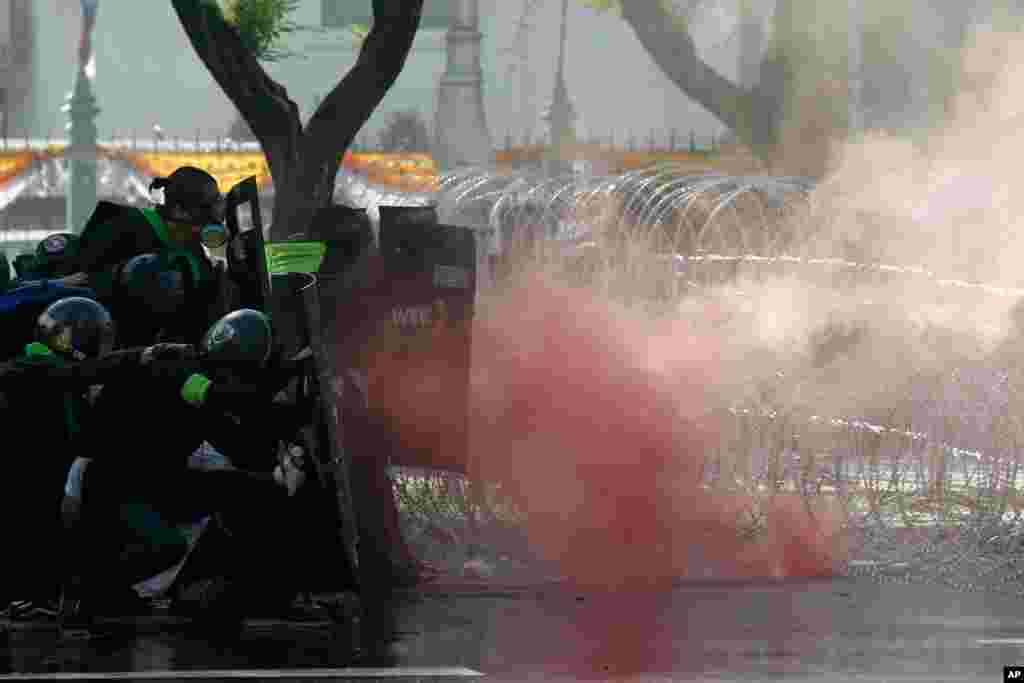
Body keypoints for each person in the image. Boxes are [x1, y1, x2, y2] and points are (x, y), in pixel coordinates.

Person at [64, 309, 319, 626]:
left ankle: (260, 594)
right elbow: (227, 399)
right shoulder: (184, 374)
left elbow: (239, 426)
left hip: (152, 479)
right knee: (166, 546)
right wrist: (294, 385)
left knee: (249, 489)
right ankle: (90, 591)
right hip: (114, 486)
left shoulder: (198, 379)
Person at [59, 166, 229, 344]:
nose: (214, 217)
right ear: (178, 210)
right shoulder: (122, 225)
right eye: (206, 208)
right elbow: (81, 285)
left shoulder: (193, 252)